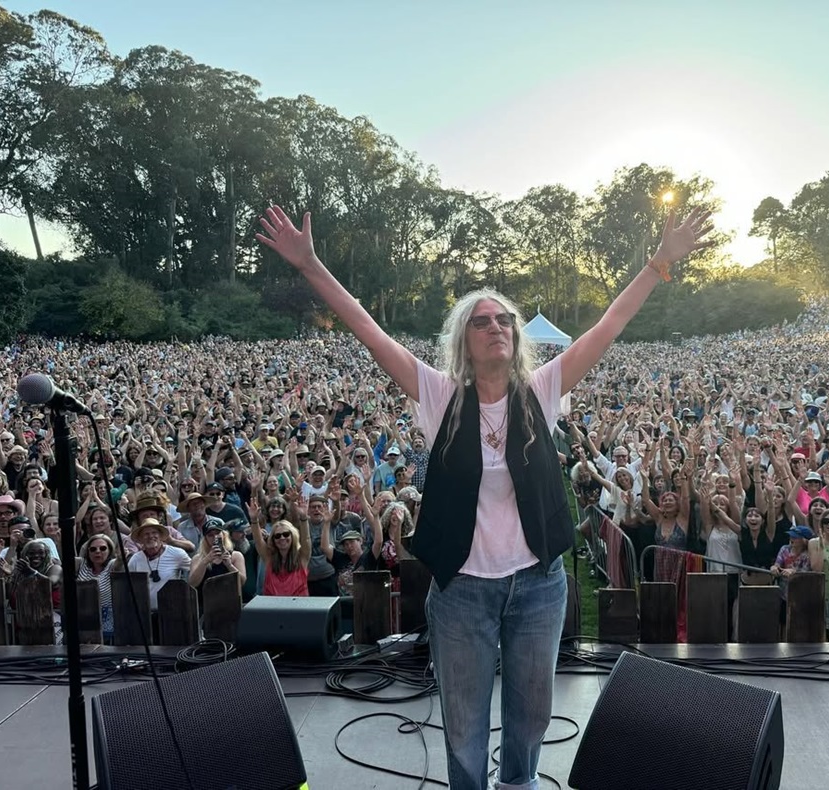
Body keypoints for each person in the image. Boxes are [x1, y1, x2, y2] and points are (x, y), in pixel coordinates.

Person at [257, 202, 713, 790]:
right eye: (482, 321)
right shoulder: (439, 395)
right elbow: (367, 327)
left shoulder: (543, 389)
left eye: (505, 320)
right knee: (465, 727)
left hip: (538, 585)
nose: (497, 326)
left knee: (530, 721)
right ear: (464, 341)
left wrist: (658, 263)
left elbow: (607, 327)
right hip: (463, 590)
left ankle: (518, 786)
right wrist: (312, 265)